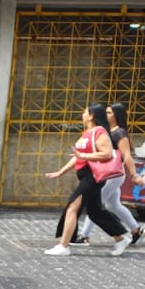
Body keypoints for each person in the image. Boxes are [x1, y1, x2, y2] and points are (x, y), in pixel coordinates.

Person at [44, 103, 130, 256]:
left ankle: (64, 245)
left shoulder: (100, 132)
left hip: (93, 176)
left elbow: (107, 153)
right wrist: (60, 172)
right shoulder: (87, 133)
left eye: (85, 112)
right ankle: (121, 238)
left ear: (91, 116)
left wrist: (84, 156)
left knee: (73, 206)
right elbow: (77, 157)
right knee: (95, 212)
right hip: (86, 176)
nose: (82, 115)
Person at [76, 102, 145, 247]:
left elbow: (127, 155)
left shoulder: (119, 133)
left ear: (117, 115)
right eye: (106, 112)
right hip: (107, 173)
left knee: (94, 205)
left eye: (109, 113)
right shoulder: (106, 130)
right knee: (113, 205)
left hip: (113, 175)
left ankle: (84, 236)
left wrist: (134, 175)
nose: (106, 115)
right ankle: (136, 230)